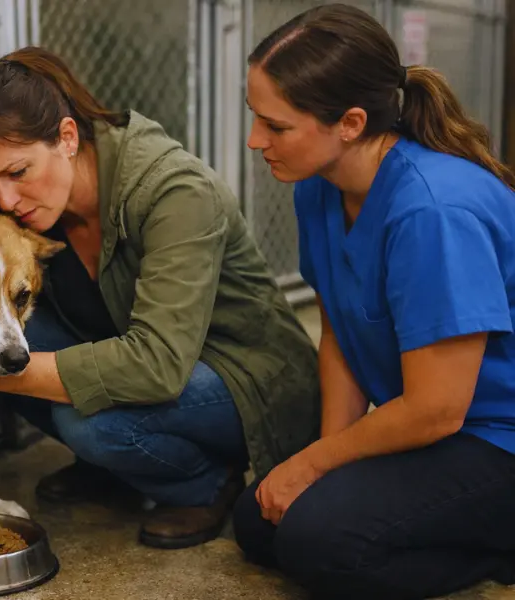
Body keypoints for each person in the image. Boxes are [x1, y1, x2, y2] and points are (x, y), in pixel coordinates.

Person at [0, 46, 321, 549]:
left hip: (245, 376)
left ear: (67, 137)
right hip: (154, 361)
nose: (2, 201)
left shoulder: (174, 191)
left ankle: (202, 484)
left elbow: (156, 365)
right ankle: (119, 471)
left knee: (87, 420)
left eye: (17, 173)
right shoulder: (6, 188)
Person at [232, 3, 515, 599]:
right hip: (440, 428)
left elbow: (438, 409)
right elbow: (338, 325)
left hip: (494, 437)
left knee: (318, 541)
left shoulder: (432, 211)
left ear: (351, 123)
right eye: (256, 117)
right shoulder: (319, 185)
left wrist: (313, 468)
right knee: (260, 522)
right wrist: (328, 456)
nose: (255, 140)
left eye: (276, 126)